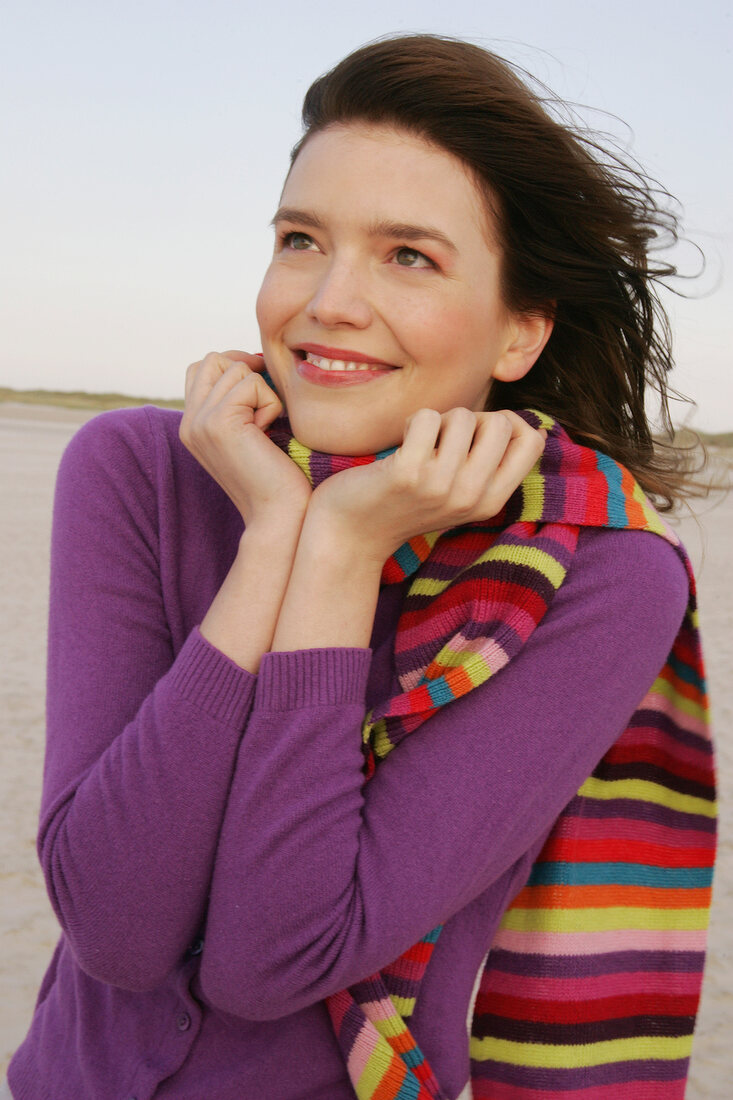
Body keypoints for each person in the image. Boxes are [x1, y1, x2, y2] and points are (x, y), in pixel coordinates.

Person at [7, 33, 715, 1100]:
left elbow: (270, 959)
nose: (326, 300)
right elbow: (113, 927)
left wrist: (339, 548)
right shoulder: (140, 470)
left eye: (409, 255)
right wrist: (271, 540)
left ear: (518, 331)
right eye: (301, 238)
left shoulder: (601, 574)